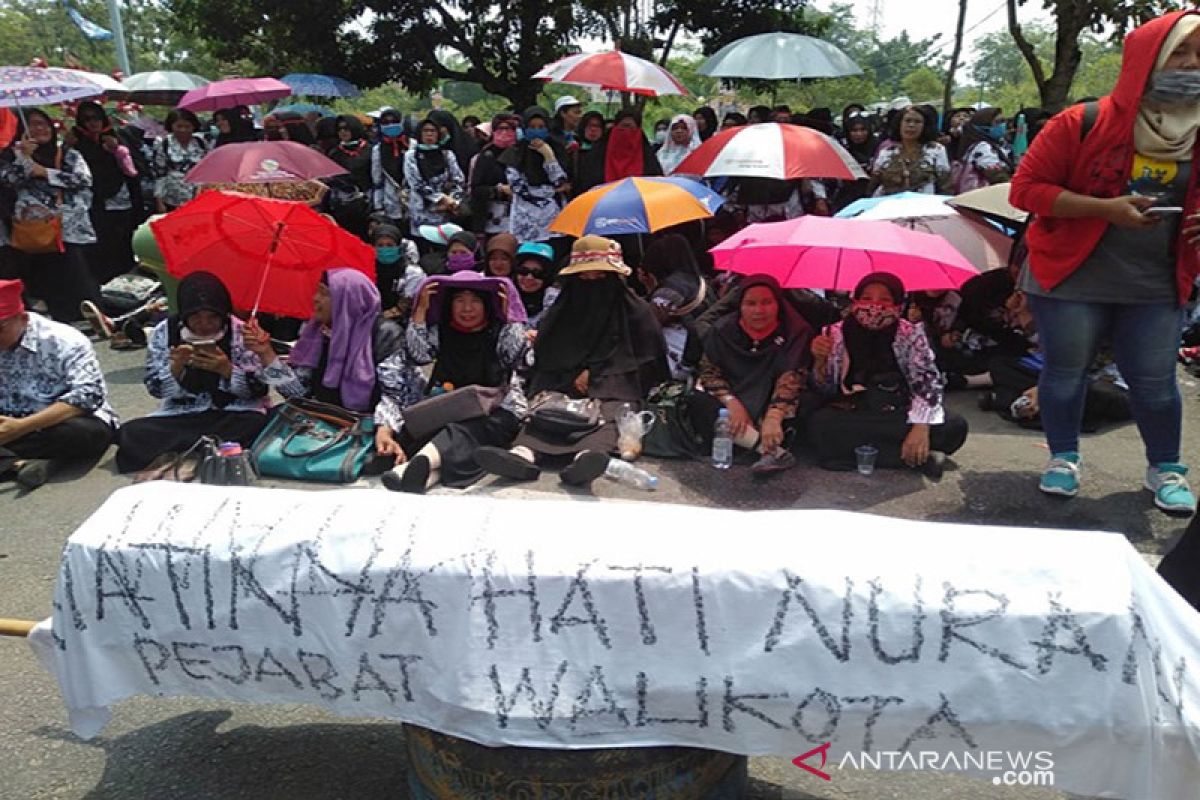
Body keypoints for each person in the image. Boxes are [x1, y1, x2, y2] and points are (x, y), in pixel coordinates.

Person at [1010, 10, 1200, 512]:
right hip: (1070, 275)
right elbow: (1025, 190)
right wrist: (1104, 210)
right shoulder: (1081, 121)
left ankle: (1165, 469)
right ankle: (1063, 459)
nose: (1191, 63)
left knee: (1156, 380)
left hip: (1156, 280)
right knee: (1065, 372)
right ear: (1148, 59)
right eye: (1179, 51)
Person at [474, 236, 669, 486]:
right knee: (545, 410)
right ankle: (521, 456)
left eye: (599, 276)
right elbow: (548, 352)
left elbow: (647, 361)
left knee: (611, 413)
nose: (590, 282)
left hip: (614, 385)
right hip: (561, 382)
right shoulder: (563, 308)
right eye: (584, 277)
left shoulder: (636, 311)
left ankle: (586, 460)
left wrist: (597, 374)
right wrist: (571, 375)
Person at [808, 272, 969, 476]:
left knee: (954, 426)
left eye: (885, 300)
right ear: (854, 300)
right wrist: (820, 360)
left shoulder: (910, 334)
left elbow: (927, 382)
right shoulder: (833, 333)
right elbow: (825, 389)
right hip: (852, 411)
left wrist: (921, 425)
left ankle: (861, 453)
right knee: (820, 424)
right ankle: (916, 458)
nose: (875, 306)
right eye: (866, 299)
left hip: (899, 410)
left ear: (898, 304)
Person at [379, 273, 528, 493]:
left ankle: (417, 464)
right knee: (422, 431)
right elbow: (420, 356)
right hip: (447, 406)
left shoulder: (498, 332)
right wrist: (420, 313)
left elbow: (515, 357)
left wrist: (511, 319)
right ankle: (427, 475)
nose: (467, 309)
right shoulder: (441, 331)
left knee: (463, 432)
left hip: (495, 412)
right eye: (459, 301)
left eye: (475, 301)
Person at [114, 272, 271, 473]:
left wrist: (227, 370)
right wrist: (175, 369)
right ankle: (203, 449)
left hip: (230, 413)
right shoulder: (165, 332)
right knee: (131, 433)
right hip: (182, 414)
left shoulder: (241, 333)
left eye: (212, 317)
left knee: (256, 424)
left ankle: (185, 451)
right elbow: (155, 388)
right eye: (196, 317)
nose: (204, 325)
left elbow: (258, 389)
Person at [244, 269, 418, 417]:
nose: (315, 299)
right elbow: (298, 394)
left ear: (349, 300)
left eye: (324, 293)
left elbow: (396, 397)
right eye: (317, 291)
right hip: (328, 426)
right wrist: (266, 353)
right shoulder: (317, 335)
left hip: (373, 431)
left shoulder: (385, 335)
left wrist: (383, 429)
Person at [0, 279, 116, 490]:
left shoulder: (63, 339)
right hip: (10, 422)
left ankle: (11, 461)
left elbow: (89, 395)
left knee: (85, 435)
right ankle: (20, 464)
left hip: (60, 421)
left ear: (23, 318)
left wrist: (21, 427)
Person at [695, 274, 812, 474]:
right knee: (699, 402)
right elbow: (709, 373)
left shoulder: (795, 332)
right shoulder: (723, 330)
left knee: (809, 404)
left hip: (775, 398)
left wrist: (774, 416)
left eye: (767, 302)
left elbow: (792, 377)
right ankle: (770, 451)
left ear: (778, 304)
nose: (759, 310)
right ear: (740, 305)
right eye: (751, 303)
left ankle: (751, 442)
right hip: (733, 395)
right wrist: (732, 403)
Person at [0, 109, 104, 323]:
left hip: (68, 225)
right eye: (34, 125)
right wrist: (24, 159)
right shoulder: (11, 156)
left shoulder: (66, 153)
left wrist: (45, 172)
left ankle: (93, 317)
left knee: (78, 273)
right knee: (47, 275)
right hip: (34, 228)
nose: (42, 129)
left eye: (45, 124)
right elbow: (8, 180)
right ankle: (61, 318)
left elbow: (83, 179)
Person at [69, 102, 139, 285]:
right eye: (87, 119)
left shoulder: (114, 138)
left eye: (97, 118)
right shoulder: (76, 142)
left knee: (122, 238)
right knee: (101, 239)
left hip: (117, 196)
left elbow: (132, 170)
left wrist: (116, 150)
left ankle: (126, 277)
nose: (93, 123)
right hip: (92, 199)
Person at [498, 106, 569, 242]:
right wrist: (550, 191)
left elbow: (560, 181)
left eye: (541, 126)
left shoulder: (557, 149)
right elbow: (517, 187)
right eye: (532, 127)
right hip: (524, 218)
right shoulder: (516, 152)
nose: (537, 131)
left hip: (553, 217)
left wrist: (548, 156)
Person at [867, 105, 951, 196]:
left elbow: (945, 185)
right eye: (907, 121)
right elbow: (874, 185)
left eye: (917, 122)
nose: (911, 125)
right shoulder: (887, 152)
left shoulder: (936, 150)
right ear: (899, 124)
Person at [403, 117, 465, 239]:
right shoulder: (411, 155)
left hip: (445, 211)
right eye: (425, 131)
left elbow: (458, 179)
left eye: (433, 131)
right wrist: (440, 198)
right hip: (422, 209)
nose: (429, 134)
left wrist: (452, 201)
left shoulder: (447, 155)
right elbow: (416, 183)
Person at [575, 109, 661, 195]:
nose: (626, 131)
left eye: (631, 128)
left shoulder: (649, 160)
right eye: (623, 127)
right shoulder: (595, 158)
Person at [469, 113, 519, 236]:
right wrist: (499, 190)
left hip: (519, 217)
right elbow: (476, 189)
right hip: (492, 220)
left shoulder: (522, 153)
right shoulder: (486, 156)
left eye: (508, 129)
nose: (504, 132)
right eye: (500, 129)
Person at [153, 108, 208, 213]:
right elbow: (159, 174)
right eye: (179, 126)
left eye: (187, 127)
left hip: (198, 195)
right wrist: (159, 201)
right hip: (173, 197)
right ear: (171, 126)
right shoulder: (164, 144)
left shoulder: (201, 143)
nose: (183, 130)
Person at [952, 108, 1013, 194]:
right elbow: (996, 176)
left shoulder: (991, 144)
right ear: (984, 125)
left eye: (1003, 121)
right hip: (984, 196)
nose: (1002, 125)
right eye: (998, 122)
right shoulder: (983, 147)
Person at [372, 223, 423, 319]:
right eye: (380, 245)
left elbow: (403, 308)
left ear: (399, 247)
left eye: (390, 245)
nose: (385, 249)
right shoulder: (368, 269)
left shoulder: (412, 273)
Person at [371, 108, 409, 228]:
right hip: (390, 203)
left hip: (414, 203)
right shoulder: (378, 149)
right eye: (386, 123)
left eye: (394, 122)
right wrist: (379, 207)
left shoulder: (412, 145)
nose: (390, 125)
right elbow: (377, 180)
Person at [513, 241, 559, 328]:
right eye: (524, 271)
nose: (529, 277)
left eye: (537, 273)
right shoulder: (505, 296)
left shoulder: (554, 301)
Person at [328, 115, 373, 194]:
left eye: (346, 128)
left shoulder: (370, 150)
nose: (342, 132)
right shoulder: (334, 153)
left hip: (367, 195)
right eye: (339, 129)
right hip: (342, 197)